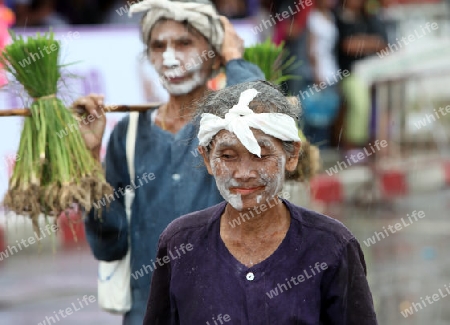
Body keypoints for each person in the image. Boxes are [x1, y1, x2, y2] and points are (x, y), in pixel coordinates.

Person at [73, 0, 265, 324]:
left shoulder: (229, 124)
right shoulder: (129, 134)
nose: (170, 57)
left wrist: (235, 57)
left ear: (214, 55)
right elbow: (111, 245)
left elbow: (262, 112)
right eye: (158, 46)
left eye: (185, 43)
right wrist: (90, 159)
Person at [143, 80, 378, 325]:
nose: (244, 173)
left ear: (292, 155)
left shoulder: (332, 245)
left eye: (260, 155)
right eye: (227, 156)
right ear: (207, 159)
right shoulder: (180, 243)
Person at [334, 0, 387, 148]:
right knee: (359, 104)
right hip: (348, 73)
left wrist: (364, 43)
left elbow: (383, 44)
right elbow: (348, 46)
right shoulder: (339, 17)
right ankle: (353, 147)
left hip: (373, 73)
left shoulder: (368, 17)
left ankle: (375, 147)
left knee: (381, 107)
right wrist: (371, 43)